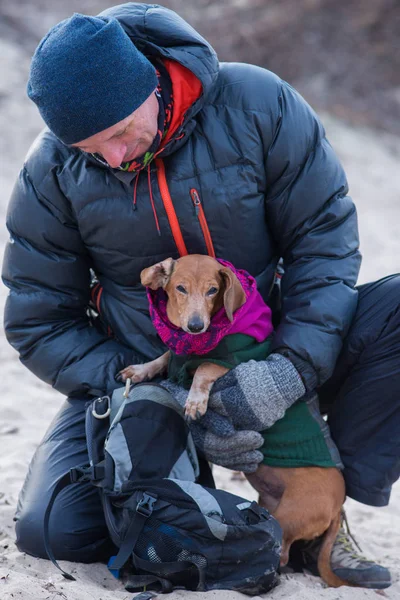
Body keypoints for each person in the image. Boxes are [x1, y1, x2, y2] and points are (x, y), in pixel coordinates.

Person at [2, 3, 398, 589]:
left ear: (150, 86)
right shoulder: (52, 170)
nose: (112, 158)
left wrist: (290, 369)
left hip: (272, 350)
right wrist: (146, 385)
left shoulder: (257, 104)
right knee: (52, 530)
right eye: (90, 149)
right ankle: (216, 509)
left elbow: (324, 245)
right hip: (148, 374)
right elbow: (39, 320)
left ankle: (325, 506)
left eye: (116, 134)